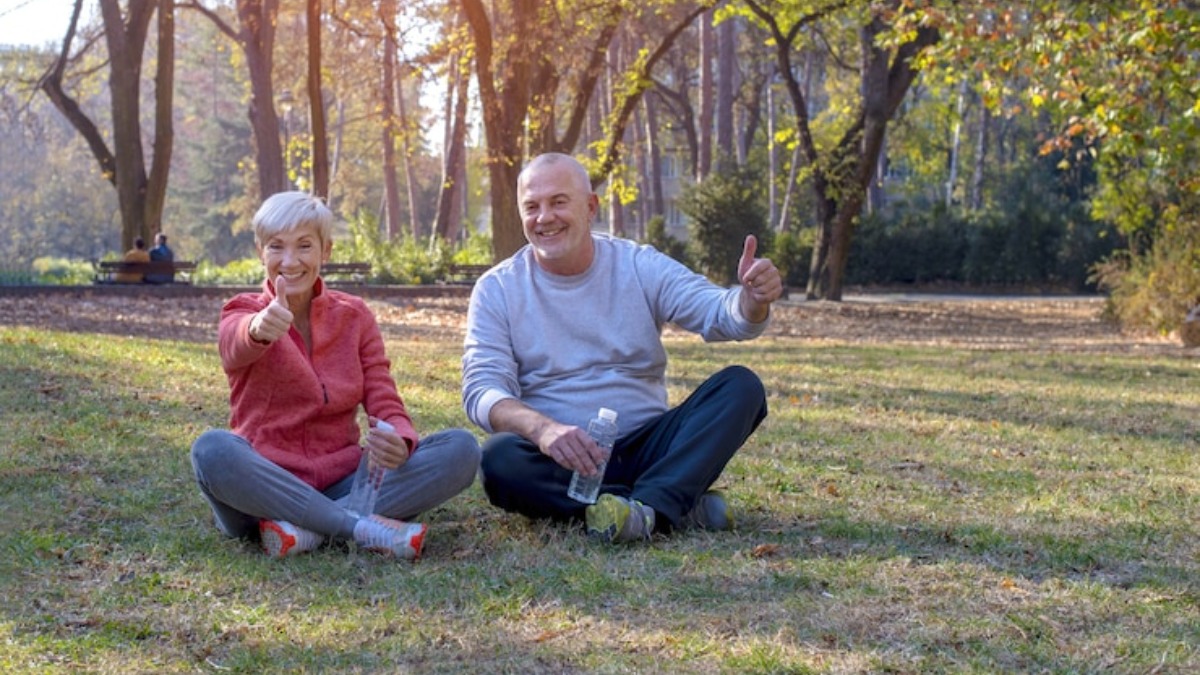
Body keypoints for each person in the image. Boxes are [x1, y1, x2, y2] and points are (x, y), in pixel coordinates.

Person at [461, 153, 784, 543]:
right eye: (532, 206)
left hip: (650, 446)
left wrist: (752, 300)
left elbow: (720, 313)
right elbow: (482, 390)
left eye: (559, 202)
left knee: (740, 387)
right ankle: (670, 505)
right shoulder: (498, 288)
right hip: (562, 461)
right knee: (499, 460)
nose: (545, 217)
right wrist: (545, 430)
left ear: (590, 206)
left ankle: (643, 508)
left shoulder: (637, 265)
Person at [191, 191, 480, 560]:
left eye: (304, 246)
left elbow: (383, 396)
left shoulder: (354, 316)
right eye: (276, 246)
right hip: (266, 489)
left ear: (325, 252)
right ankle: (358, 528)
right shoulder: (242, 309)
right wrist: (260, 328)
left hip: (344, 481)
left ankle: (306, 531)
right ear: (260, 251)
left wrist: (401, 438)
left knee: (461, 450)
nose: (290, 261)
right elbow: (235, 345)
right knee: (212, 450)